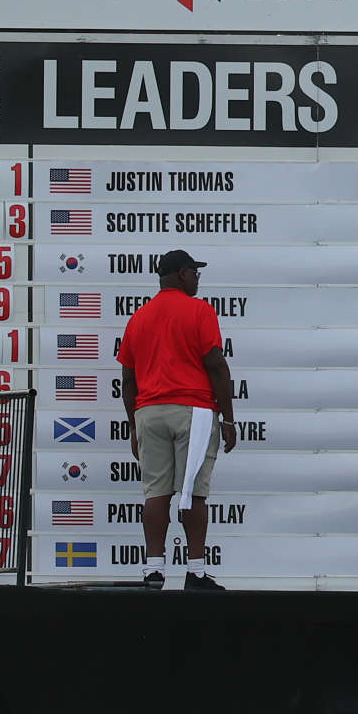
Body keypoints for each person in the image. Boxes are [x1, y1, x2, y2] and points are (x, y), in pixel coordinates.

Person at [120, 249, 239, 591]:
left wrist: (133, 425)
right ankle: (196, 572)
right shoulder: (199, 310)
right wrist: (228, 420)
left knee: (156, 494)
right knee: (192, 495)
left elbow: (128, 380)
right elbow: (216, 365)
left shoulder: (139, 317)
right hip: (193, 410)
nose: (198, 278)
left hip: (149, 411)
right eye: (195, 273)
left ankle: (153, 569)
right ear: (182, 274)